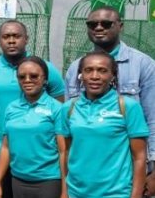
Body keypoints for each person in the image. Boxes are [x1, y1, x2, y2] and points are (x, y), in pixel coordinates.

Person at [63, 6, 155, 196]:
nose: (98, 28)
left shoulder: (143, 64)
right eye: (92, 24)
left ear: (120, 26)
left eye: (106, 23)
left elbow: (152, 118)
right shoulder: (75, 68)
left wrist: (152, 167)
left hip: (123, 178)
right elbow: (71, 127)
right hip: (84, 181)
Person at [0, 20, 64, 198]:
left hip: (41, 161)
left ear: (26, 39)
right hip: (0, 153)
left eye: (16, 36)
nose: (11, 40)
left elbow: (58, 107)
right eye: (6, 36)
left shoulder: (46, 69)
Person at [57, 51, 148, 198]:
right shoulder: (68, 108)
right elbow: (65, 152)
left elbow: (139, 157)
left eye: (102, 71)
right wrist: (64, 192)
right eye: (88, 70)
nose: (94, 76)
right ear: (81, 75)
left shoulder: (128, 107)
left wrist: (136, 195)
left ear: (113, 75)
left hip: (115, 194)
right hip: (77, 193)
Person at [0, 56, 63, 198]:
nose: (27, 80)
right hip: (18, 180)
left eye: (34, 76)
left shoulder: (56, 108)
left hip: (48, 182)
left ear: (45, 79)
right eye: (22, 77)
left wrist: (65, 190)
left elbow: (63, 151)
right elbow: (6, 147)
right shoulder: (12, 108)